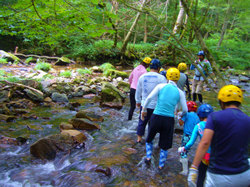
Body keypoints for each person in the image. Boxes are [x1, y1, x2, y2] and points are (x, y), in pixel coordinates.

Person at [188, 85, 250, 187]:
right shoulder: (247, 120)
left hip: (219, 175)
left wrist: (194, 168)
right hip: (244, 175)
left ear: (221, 101)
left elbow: (205, 143)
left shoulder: (214, 117)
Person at [141, 68, 188, 170]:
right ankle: (161, 165)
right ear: (178, 78)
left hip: (156, 116)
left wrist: (143, 110)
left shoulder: (160, 86)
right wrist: (179, 114)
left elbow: (149, 98)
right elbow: (185, 109)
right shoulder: (180, 92)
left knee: (149, 139)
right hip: (169, 120)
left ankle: (148, 157)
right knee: (165, 145)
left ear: (167, 76)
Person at [179, 104, 213, 187]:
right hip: (216, 156)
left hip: (205, 156)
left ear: (200, 115)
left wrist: (184, 148)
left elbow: (191, 143)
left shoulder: (198, 126)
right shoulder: (216, 124)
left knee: (201, 176)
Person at [135, 59, 167, 143]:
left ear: (149, 66)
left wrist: (137, 101)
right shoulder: (162, 78)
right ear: (159, 68)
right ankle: (149, 139)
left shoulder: (142, 77)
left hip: (144, 104)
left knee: (142, 121)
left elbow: (138, 90)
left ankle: (139, 138)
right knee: (152, 123)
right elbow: (164, 93)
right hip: (156, 105)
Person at [178, 101, 200, 175]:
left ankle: (185, 170)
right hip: (194, 137)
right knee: (186, 148)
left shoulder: (187, 114)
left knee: (183, 151)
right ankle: (183, 160)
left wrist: (179, 117)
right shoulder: (197, 116)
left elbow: (181, 124)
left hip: (187, 135)